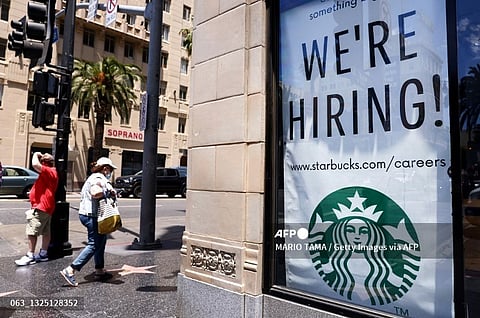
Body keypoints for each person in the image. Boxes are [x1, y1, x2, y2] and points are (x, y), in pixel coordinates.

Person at [60, 157, 117, 287]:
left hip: (89, 215)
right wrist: (108, 191)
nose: (111, 172)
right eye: (111, 169)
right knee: (94, 244)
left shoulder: (92, 177)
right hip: (93, 216)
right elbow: (95, 193)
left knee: (101, 242)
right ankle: (70, 270)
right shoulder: (98, 179)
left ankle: (99, 270)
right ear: (105, 168)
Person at [15, 152, 58, 266]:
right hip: (46, 206)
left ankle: (30, 255)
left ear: (46, 162)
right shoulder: (49, 172)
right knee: (45, 231)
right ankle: (43, 253)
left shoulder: (49, 171)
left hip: (41, 207)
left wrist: (36, 154)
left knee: (31, 231)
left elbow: (35, 164)